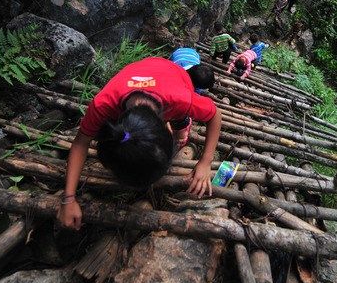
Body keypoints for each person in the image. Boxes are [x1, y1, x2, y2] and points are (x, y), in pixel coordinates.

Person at [57, 57, 222, 230]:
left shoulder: (183, 100)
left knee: (180, 123)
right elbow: (81, 143)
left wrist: (206, 161)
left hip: (175, 75)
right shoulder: (103, 105)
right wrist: (68, 198)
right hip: (141, 74)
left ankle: (179, 127)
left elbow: (214, 115)